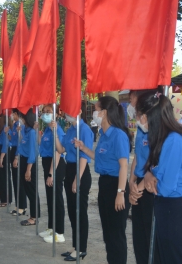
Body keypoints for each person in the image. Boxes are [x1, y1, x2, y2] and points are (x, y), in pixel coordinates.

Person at [138, 91, 182, 263]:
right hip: (167, 212)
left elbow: (165, 187)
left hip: (178, 214)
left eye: (140, 116)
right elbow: (153, 171)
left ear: (148, 116)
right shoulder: (162, 139)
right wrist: (149, 175)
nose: (139, 121)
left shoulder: (174, 140)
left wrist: (150, 180)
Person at [75, 96, 131, 264]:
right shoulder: (103, 134)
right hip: (104, 184)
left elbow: (124, 166)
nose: (94, 113)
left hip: (116, 185)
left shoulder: (118, 135)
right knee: (107, 233)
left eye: (97, 110)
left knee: (116, 235)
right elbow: (100, 158)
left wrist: (120, 193)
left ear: (104, 112)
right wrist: (84, 148)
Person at [53, 110, 93, 261]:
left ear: (79, 111)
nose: (66, 114)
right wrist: (56, 132)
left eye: (70, 110)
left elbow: (84, 156)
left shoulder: (85, 130)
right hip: (69, 169)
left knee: (80, 211)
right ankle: (75, 245)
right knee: (71, 210)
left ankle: (82, 248)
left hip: (80, 171)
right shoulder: (70, 129)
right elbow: (61, 149)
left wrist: (78, 178)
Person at [126, 89, 160, 264]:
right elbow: (137, 157)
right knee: (138, 234)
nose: (130, 103)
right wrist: (131, 181)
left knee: (150, 235)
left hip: (150, 187)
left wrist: (138, 188)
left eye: (132, 98)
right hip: (138, 183)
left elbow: (157, 164)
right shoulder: (141, 128)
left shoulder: (157, 131)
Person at [39, 105, 66, 243]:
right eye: (44, 112)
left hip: (55, 166)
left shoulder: (57, 130)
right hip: (46, 163)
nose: (45, 115)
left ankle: (59, 232)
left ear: (55, 114)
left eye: (48, 112)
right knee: (50, 198)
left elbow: (58, 152)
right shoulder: (47, 130)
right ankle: (51, 227)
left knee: (56, 198)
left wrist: (51, 174)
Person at [16, 108, 40, 226]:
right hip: (23, 160)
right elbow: (22, 145)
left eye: (22, 117)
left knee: (32, 191)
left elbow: (32, 152)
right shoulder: (26, 130)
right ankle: (33, 215)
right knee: (27, 189)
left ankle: (34, 217)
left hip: (29, 162)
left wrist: (28, 169)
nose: (20, 119)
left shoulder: (32, 132)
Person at [8, 109, 27, 216]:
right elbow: (12, 139)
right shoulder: (14, 125)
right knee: (15, 180)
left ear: (16, 114)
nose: (11, 116)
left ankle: (22, 206)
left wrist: (16, 157)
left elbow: (21, 142)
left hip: (18, 152)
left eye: (12, 114)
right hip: (13, 150)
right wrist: (8, 133)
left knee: (19, 181)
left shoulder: (21, 125)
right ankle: (17, 205)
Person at [0, 114, 11, 207]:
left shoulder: (5, 128)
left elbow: (5, 144)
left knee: (4, 177)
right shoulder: (0, 128)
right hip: (0, 150)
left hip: (4, 152)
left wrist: (0, 158)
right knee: (0, 177)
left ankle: (6, 199)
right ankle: (3, 198)